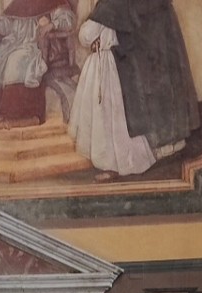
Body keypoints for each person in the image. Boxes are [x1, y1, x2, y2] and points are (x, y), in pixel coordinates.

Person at [84, 0, 197, 161]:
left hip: (152, 29)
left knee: (159, 80)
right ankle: (163, 142)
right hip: (148, 29)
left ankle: (167, 141)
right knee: (155, 82)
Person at [68, 11, 156, 177]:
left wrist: (89, 27)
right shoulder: (120, 7)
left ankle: (111, 166)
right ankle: (115, 162)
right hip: (115, 63)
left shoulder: (107, 8)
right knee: (113, 116)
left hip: (107, 65)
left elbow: (85, 36)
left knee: (108, 117)